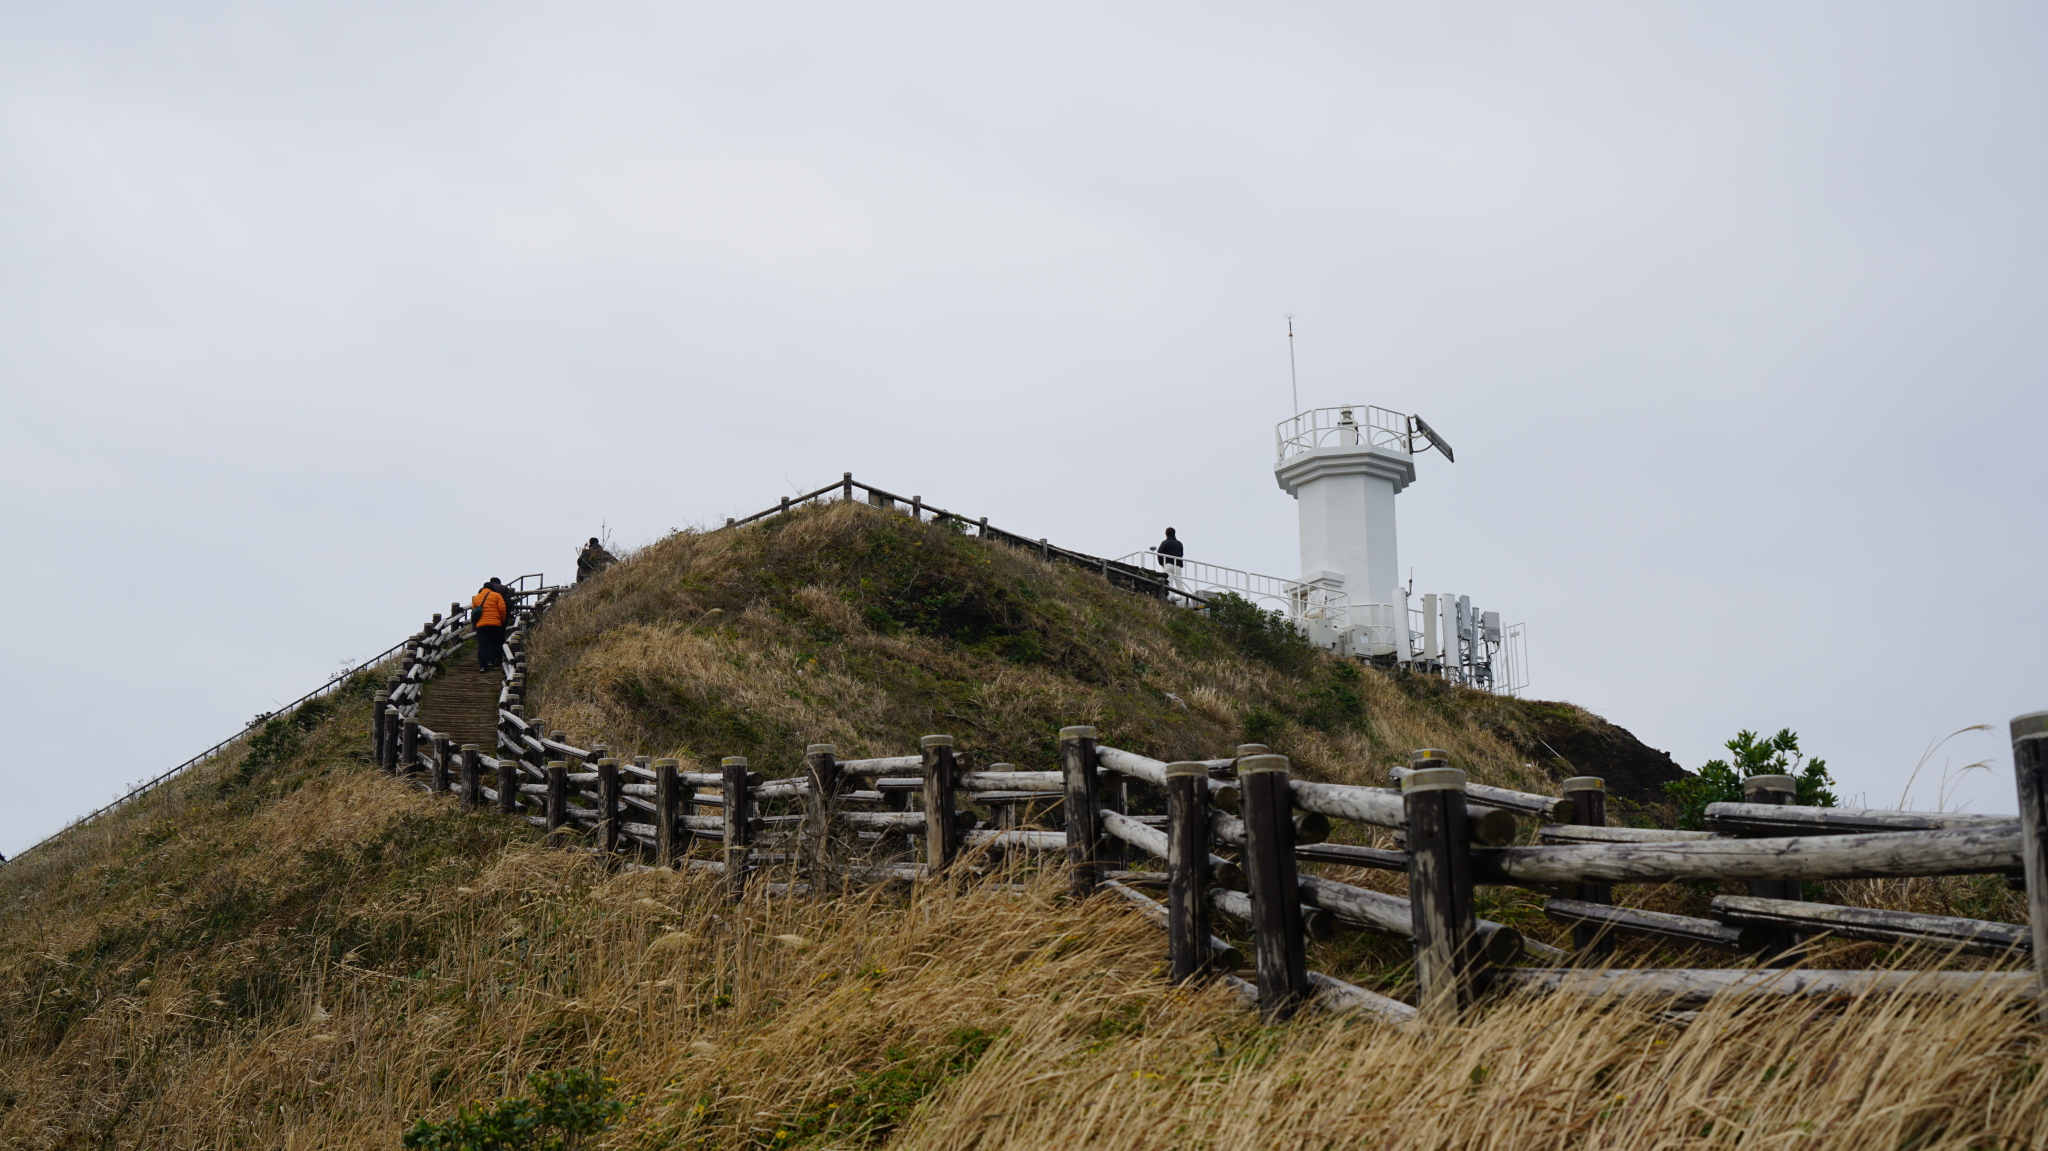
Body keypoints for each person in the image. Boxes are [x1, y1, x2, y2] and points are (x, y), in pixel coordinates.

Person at [472, 578, 511, 674]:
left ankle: (482, 666)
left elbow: (474, 611)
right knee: (495, 642)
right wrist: (502, 620)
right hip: (495, 623)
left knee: (482, 645)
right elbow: (502, 609)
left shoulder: (476, 597)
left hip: (481, 625)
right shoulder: (497, 595)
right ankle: (490, 660)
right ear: (492, 588)